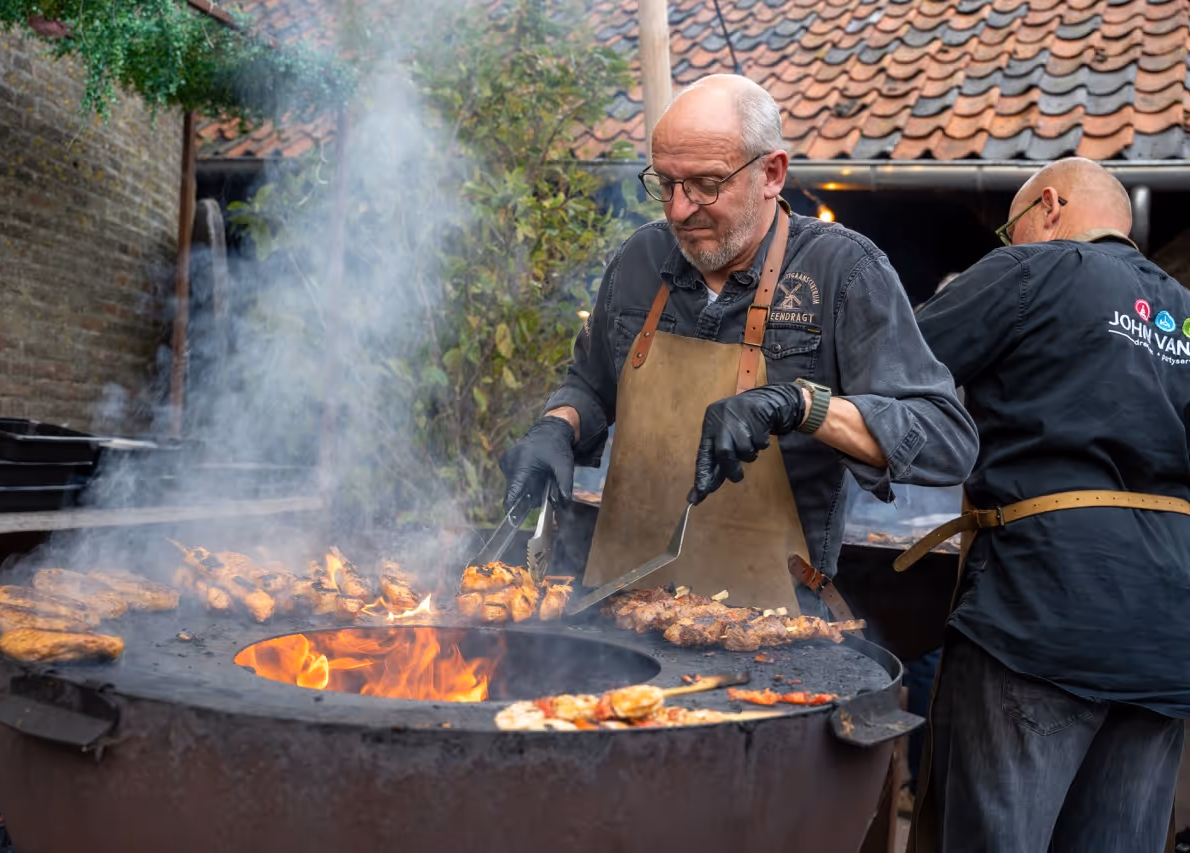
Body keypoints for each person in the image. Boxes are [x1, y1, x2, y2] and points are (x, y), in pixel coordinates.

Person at [500, 73, 977, 613]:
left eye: (705, 184)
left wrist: (800, 405)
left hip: (771, 624)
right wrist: (557, 426)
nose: (678, 210)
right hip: (622, 609)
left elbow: (945, 442)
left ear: (771, 173)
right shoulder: (639, 259)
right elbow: (591, 383)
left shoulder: (843, 271)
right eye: (665, 184)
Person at [907, 157, 1190, 853]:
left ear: (1051, 206)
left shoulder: (1032, 268)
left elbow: (895, 362)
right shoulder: (1185, 313)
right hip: (1168, 632)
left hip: (1043, 610)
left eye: (1012, 229)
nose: (1009, 244)